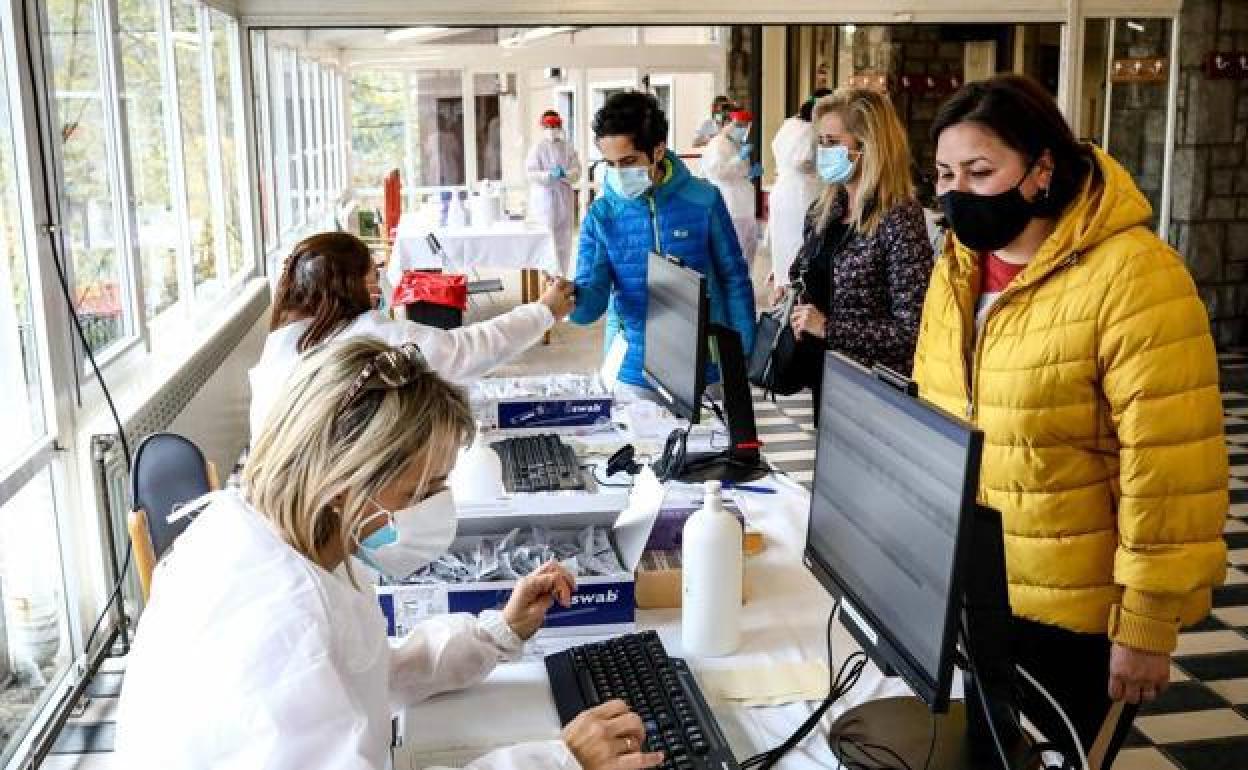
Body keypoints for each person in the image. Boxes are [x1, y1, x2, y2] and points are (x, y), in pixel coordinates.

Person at [115, 338, 663, 770]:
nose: (433, 510)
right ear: (345, 483)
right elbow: (323, 672)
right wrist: (560, 760)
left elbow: (365, 674)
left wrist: (499, 631)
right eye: (419, 493)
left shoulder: (282, 534)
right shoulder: (278, 623)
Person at [913, 74, 1227, 766]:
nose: (957, 190)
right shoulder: (960, 264)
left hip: (1076, 614)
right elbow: (936, 407)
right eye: (943, 173)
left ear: (1042, 168)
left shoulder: (1134, 277)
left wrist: (1146, 624)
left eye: (980, 170)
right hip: (977, 589)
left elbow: (1172, 468)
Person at [248, 232, 576, 439]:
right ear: (351, 285)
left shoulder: (283, 339)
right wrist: (544, 310)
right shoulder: (367, 333)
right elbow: (464, 353)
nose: (379, 289)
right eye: (373, 277)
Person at [572, 91, 756, 400]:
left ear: (658, 151)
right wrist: (571, 297)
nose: (618, 173)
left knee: (706, 449)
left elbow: (733, 277)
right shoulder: (601, 216)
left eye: (628, 162)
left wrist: (742, 352)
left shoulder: (704, 199)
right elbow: (591, 306)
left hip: (703, 367)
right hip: (633, 371)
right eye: (610, 164)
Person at [781, 88, 932, 420]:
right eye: (820, 142)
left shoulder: (899, 217)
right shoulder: (824, 209)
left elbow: (913, 330)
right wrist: (794, 297)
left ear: (869, 147)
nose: (823, 152)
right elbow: (802, 272)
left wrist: (830, 328)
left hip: (874, 392)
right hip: (827, 375)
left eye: (833, 143)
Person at [767, 88, 831, 287]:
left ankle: (783, 282)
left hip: (782, 190)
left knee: (783, 244)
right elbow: (802, 161)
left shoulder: (788, 125)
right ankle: (796, 286)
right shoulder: (810, 130)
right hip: (801, 192)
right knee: (800, 241)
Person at [701, 109, 761, 266]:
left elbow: (738, 172)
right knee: (734, 249)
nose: (742, 129)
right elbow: (717, 172)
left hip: (743, 203)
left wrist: (750, 173)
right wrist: (738, 158)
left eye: (745, 126)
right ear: (727, 124)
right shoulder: (717, 144)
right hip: (730, 204)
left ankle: (747, 284)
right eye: (739, 125)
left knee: (749, 247)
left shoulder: (736, 143)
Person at [527, 110, 583, 276]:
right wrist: (549, 175)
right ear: (542, 126)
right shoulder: (537, 148)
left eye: (555, 126)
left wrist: (565, 174)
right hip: (545, 199)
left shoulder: (568, 147)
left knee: (564, 240)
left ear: (560, 125)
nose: (552, 129)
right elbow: (531, 173)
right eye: (549, 126)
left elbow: (577, 171)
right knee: (546, 240)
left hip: (564, 197)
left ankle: (562, 277)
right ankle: (547, 278)